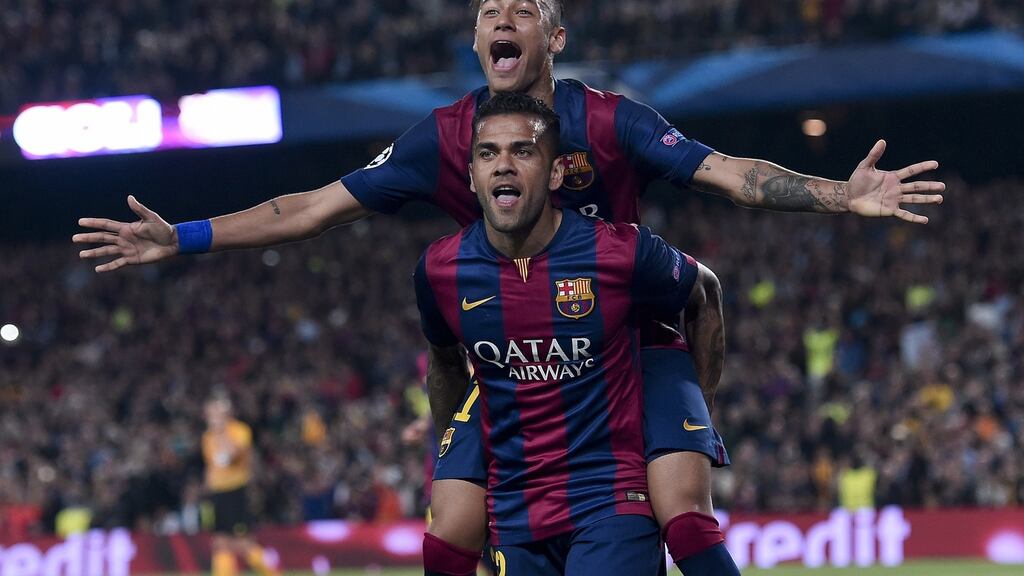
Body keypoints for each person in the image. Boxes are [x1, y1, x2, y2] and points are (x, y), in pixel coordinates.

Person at [73, 1, 944, 573]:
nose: (500, 16)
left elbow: (727, 172)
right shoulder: (446, 136)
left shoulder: (610, 118)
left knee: (680, 514)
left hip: (632, 346)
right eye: (488, 7)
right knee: (449, 525)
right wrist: (183, 237)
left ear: (551, 39)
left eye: (521, 7)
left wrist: (842, 195)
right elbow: (309, 208)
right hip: (515, 357)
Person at [416, 91, 722, 576]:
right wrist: (457, 462)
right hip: (517, 512)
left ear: (557, 172)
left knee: (688, 523)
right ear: (472, 175)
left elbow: (703, 292)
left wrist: (700, 410)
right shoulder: (440, 269)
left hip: (611, 498)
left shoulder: (620, 252)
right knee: (442, 542)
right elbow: (446, 363)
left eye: (523, 151)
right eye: (488, 153)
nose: (503, 166)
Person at [201, 397, 278, 576]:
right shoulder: (207, 437)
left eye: (214, 412)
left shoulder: (240, 430)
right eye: (209, 413)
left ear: (226, 413)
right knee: (220, 544)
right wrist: (207, 489)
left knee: (244, 544)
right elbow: (211, 466)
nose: (210, 416)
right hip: (217, 494)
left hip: (236, 491)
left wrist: (222, 431)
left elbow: (229, 458)